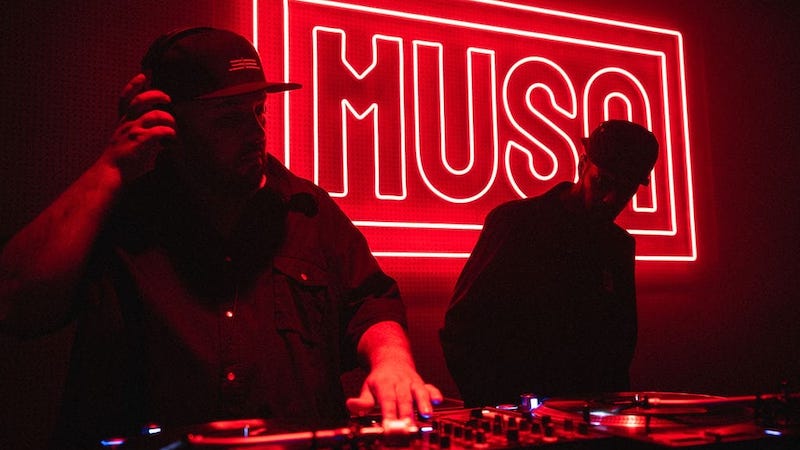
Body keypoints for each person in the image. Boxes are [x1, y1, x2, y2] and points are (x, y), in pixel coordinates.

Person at [0, 27, 441, 447]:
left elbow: (371, 303)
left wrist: (392, 361)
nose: (256, 133)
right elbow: (17, 303)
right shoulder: (122, 214)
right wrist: (110, 168)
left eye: (258, 111)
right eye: (229, 119)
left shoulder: (308, 209)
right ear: (168, 124)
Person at [439, 120, 658, 407]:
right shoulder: (515, 224)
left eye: (626, 190)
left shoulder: (618, 246)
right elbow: (462, 327)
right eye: (603, 182)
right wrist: (496, 405)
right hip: (520, 414)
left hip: (586, 417)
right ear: (582, 165)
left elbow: (620, 345)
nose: (611, 199)